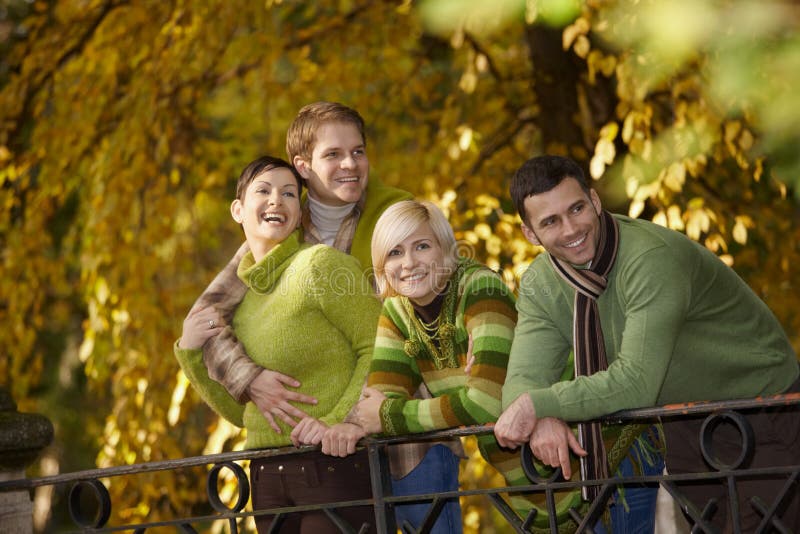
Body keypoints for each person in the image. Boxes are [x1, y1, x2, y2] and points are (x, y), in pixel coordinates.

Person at [187, 102, 464, 529]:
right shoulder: (282, 225)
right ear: (303, 166)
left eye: (358, 151)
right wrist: (248, 377)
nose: (350, 164)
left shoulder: (396, 213)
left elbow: (440, 296)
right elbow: (206, 316)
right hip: (329, 453)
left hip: (410, 433)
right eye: (333, 154)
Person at [495, 154, 800, 532]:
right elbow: (524, 376)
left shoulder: (649, 258)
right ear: (529, 233)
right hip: (685, 424)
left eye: (576, 208)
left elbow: (636, 381)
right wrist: (540, 418)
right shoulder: (542, 282)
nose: (571, 228)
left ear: (595, 200)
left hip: (763, 408)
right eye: (550, 221)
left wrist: (539, 403)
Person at [349, 200, 589, 533]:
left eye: (422, 246)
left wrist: (392, 415)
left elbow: (487, 403)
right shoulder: (397, 312)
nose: (409, 263)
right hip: (532, 491)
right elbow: (378, 399)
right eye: (394, 252)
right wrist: (462, 394)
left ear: (445, 249)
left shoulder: (480, 289)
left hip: (592, 467)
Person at [175, 156, 381, 532]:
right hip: (267, 476)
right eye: (264, 190)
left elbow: (379, 348)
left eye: (289, 193)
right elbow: (239, 413)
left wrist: (336, 423)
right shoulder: (237, 301)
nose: (277, 200)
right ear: (237, 209)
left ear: (299, 213)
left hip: (335, 463)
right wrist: (190, 351)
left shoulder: (322, 265)